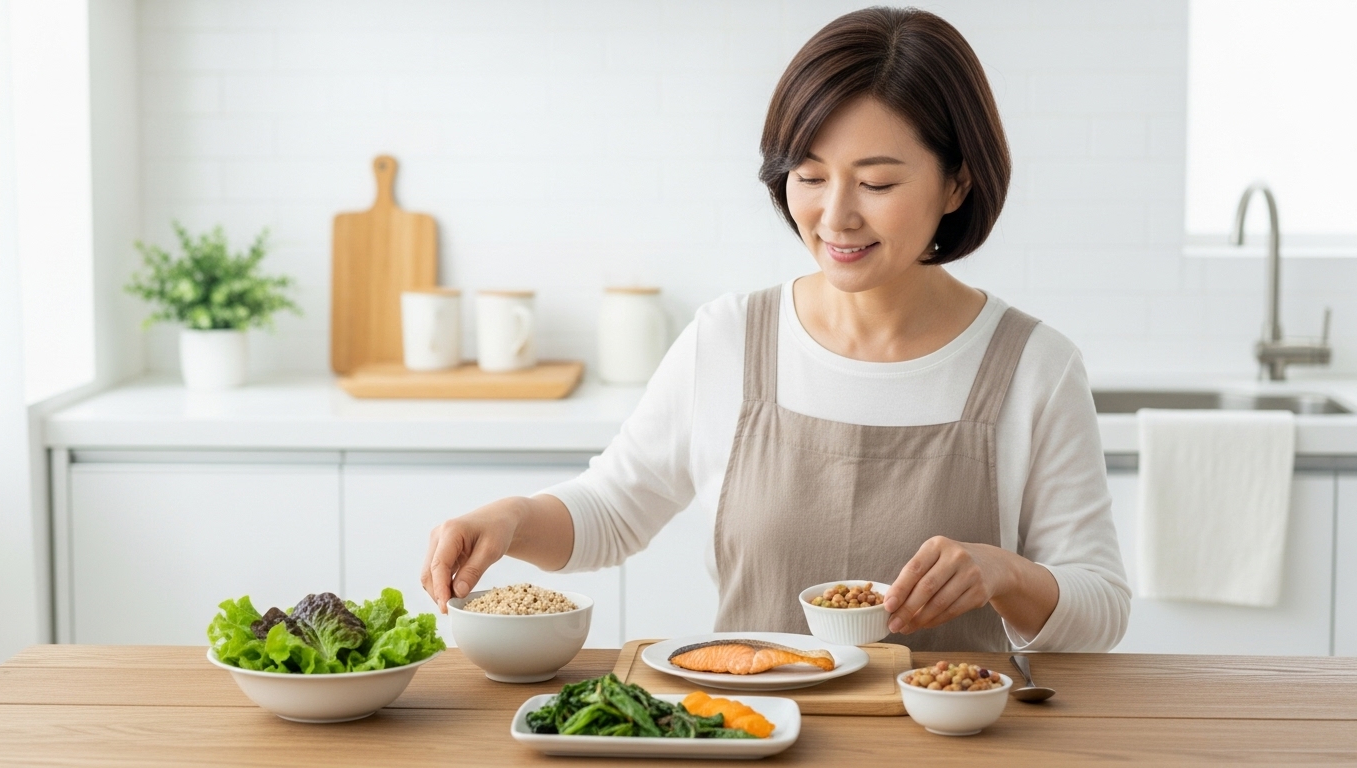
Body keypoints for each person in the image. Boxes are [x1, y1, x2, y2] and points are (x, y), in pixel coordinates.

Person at [421, 7, 1130, 652]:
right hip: (752, 735)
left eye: (877, 184)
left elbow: (1100, 611)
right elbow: (613, 509)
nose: (835, 216)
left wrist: (1003, 573)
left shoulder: (1034, 366)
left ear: (957, 183)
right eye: (809, 176)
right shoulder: (729, 339)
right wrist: (512, 518)